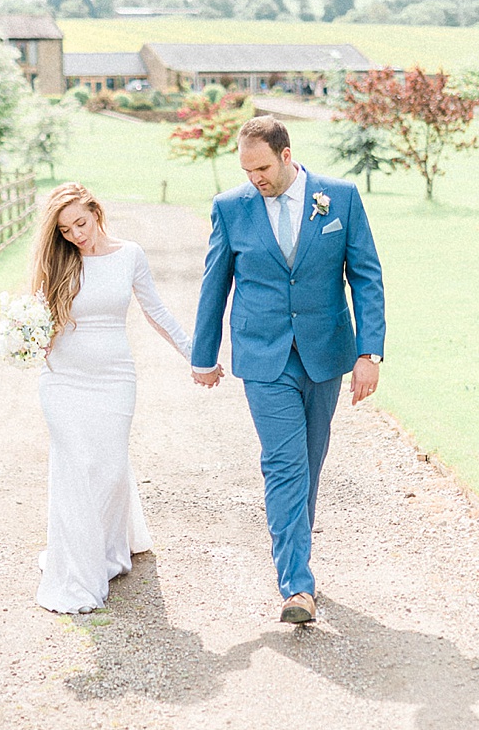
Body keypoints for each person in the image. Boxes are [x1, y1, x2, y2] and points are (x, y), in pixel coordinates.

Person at [190, 116, 386, 625]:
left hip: (325, 353)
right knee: (284, 463)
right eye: (246, 169)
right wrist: (203, 354)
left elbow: (366, 275)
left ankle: (297, 558)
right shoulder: (230, 208)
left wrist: (371, 353)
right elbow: (216, 284)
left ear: (286, 154)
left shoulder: (339, 198)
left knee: (310, 459)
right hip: (262, 355)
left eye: (261, 167)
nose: (254, 178)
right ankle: (297, 585)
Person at [32, 182, 191, 615]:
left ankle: (107, 550)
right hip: (63, 380)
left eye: (80, 223)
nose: (76, 235)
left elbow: (155, 311)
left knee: (109, 468)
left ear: (96, 212)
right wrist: (26, 340)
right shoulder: (59, 261)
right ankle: (78, 570)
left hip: (115, 379)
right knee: (74, 468)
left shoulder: (130, 255)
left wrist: (195, 353)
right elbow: (38, 321)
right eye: (65, 230)